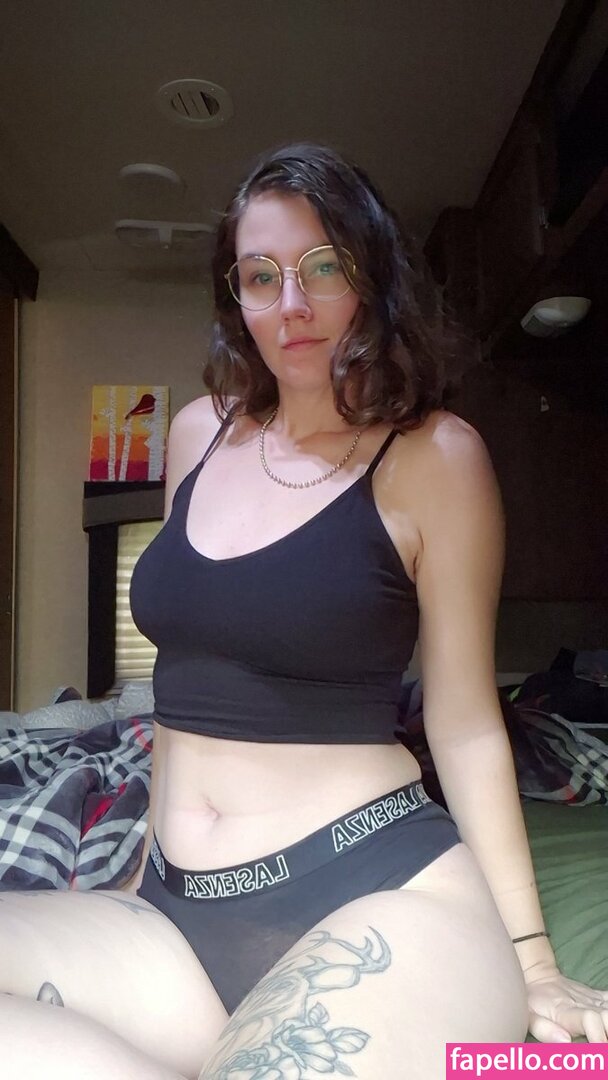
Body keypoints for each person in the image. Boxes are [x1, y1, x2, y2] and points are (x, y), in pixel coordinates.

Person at [1, 143, 606, 1080]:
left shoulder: (435, 456)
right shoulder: (198, 433)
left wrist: (533, 962)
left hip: (372, 888)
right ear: (235, 296)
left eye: (324, 266)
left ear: (371, 277)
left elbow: (463, 720)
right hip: (172, 914)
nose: (291, 302)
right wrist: (143, 869)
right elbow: (190, 668)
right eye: (261, 275)